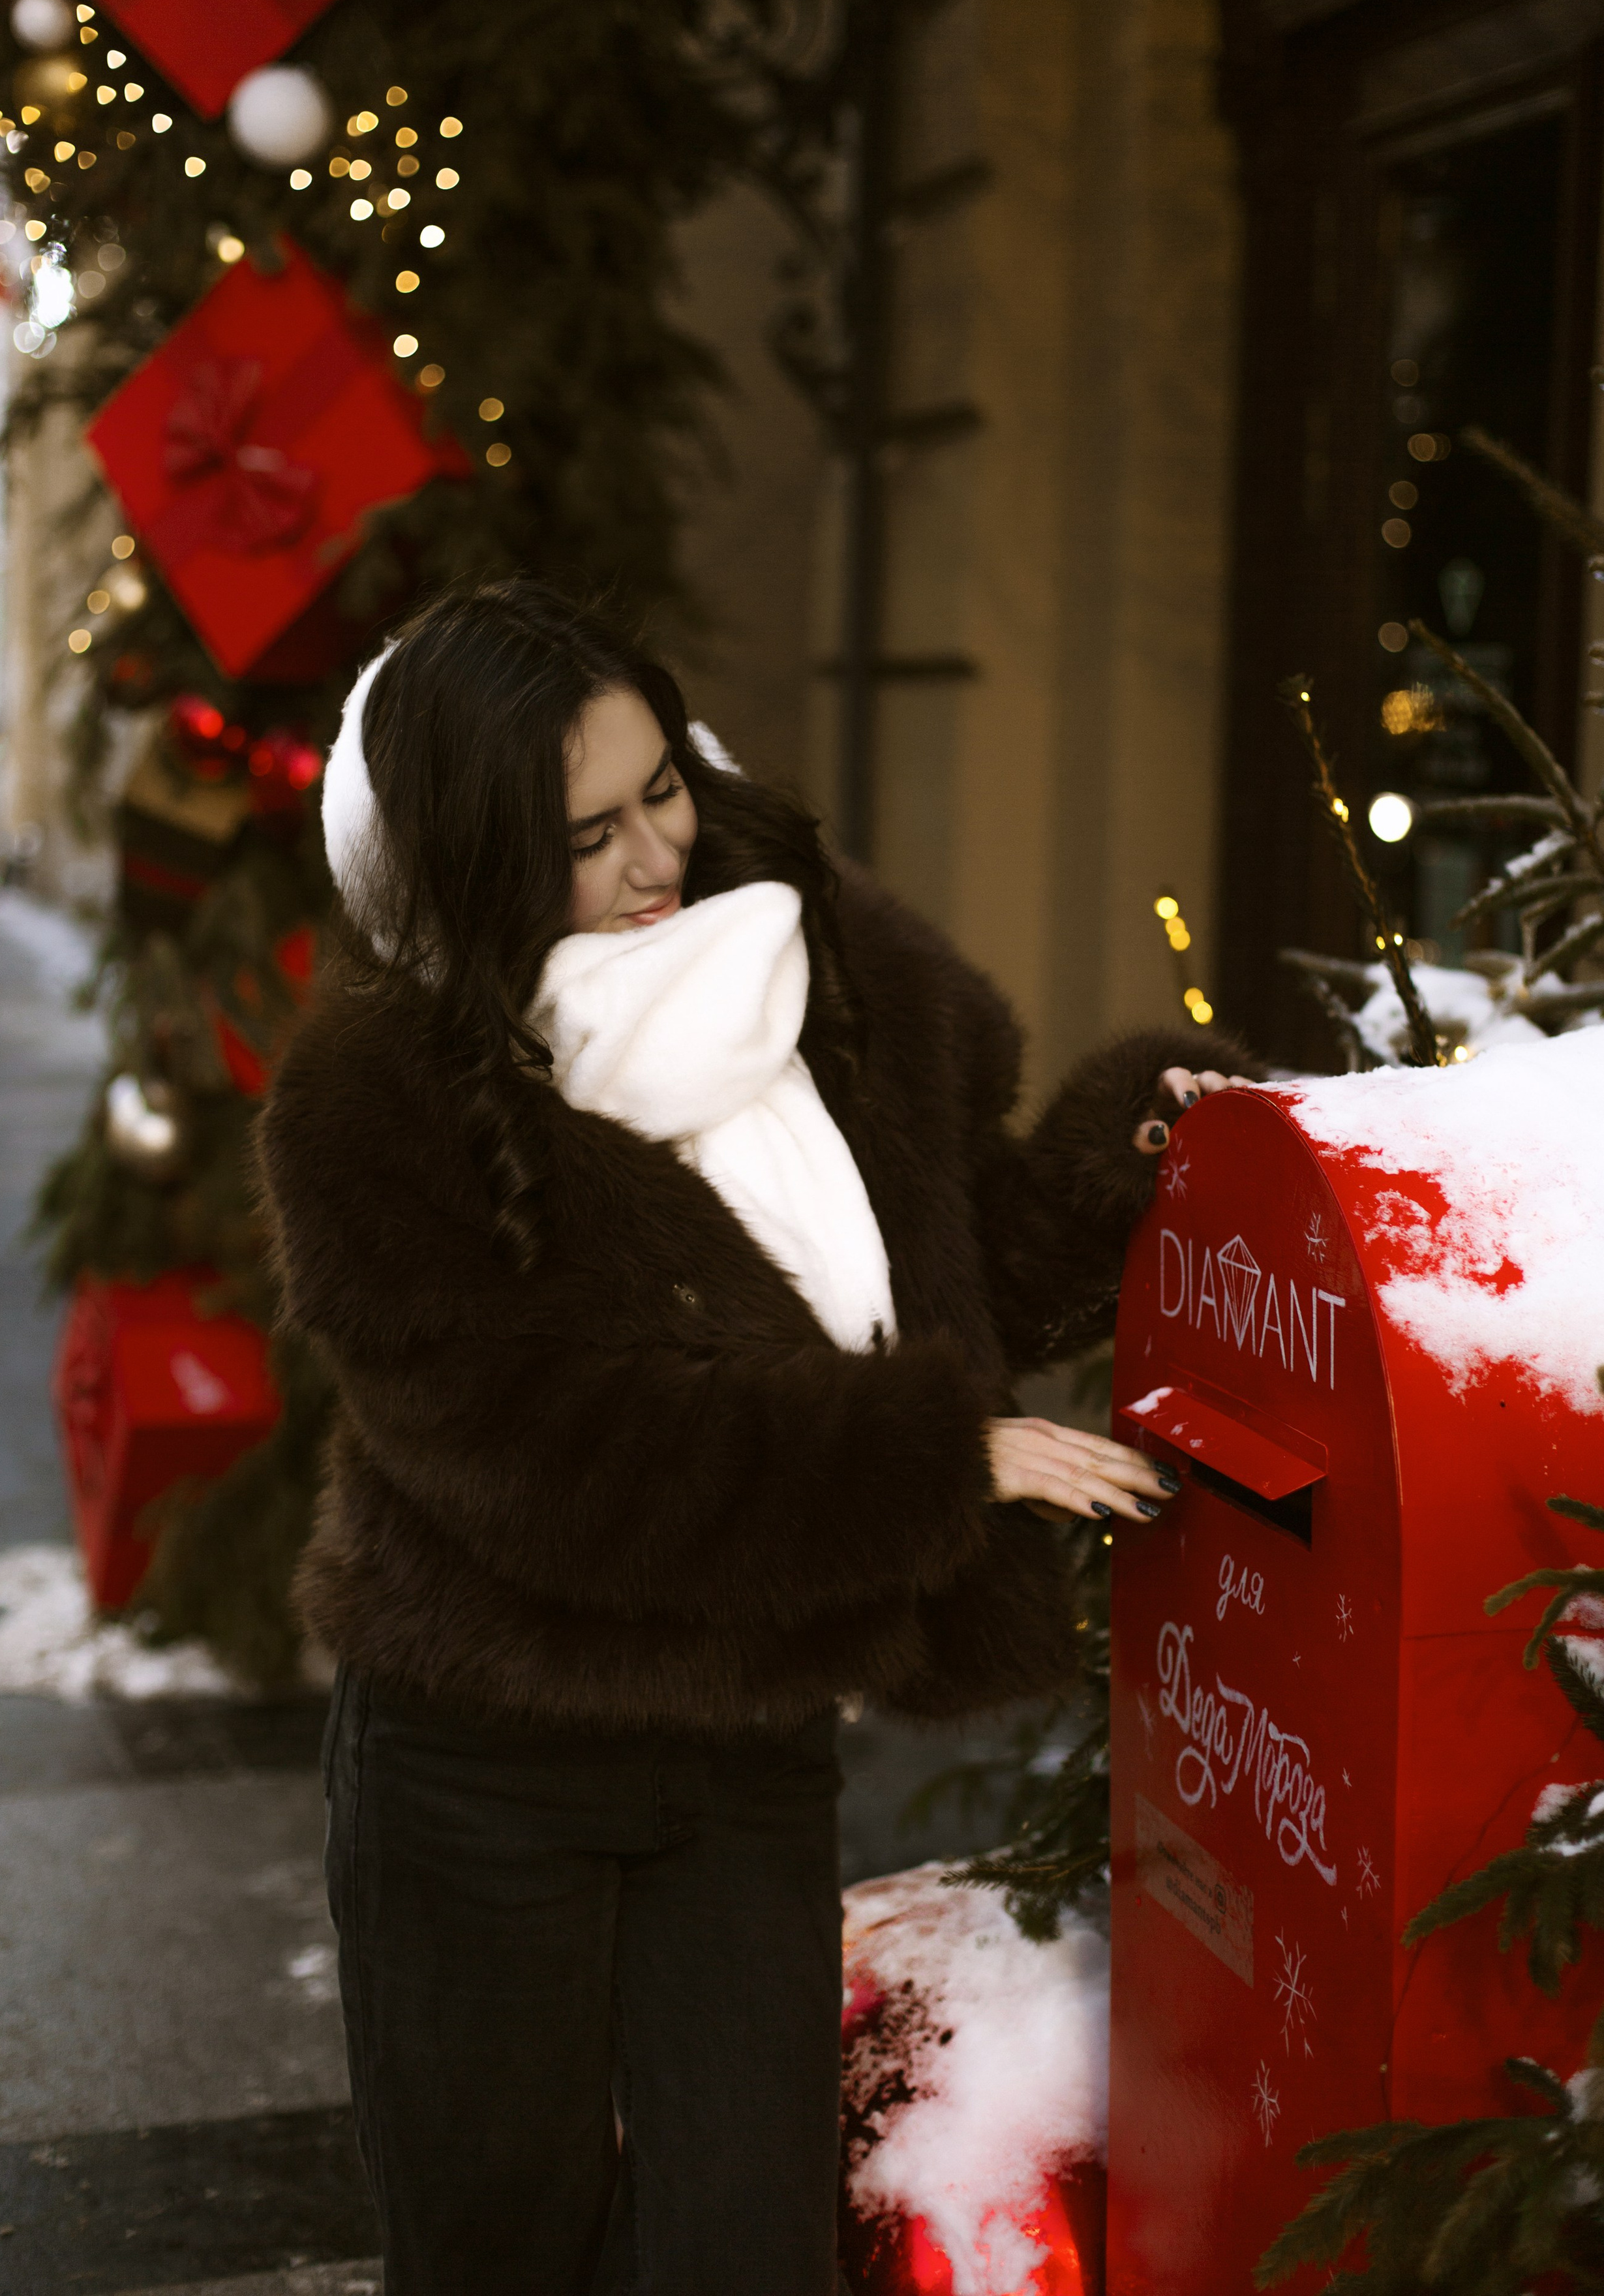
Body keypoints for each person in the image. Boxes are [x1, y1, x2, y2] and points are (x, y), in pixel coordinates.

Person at [257, 577, 1259, 2296]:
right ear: (480, 862)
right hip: (489, 1763)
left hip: (750, 1743)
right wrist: (931, 1459)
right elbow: (556, 1461)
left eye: (663, 787)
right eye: (585, 835)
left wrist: (1130, 1158)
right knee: (503, 2254)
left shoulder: (821, 969)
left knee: (747, 2250)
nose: (656, 853)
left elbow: (953, 1280)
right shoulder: (379, 1109)